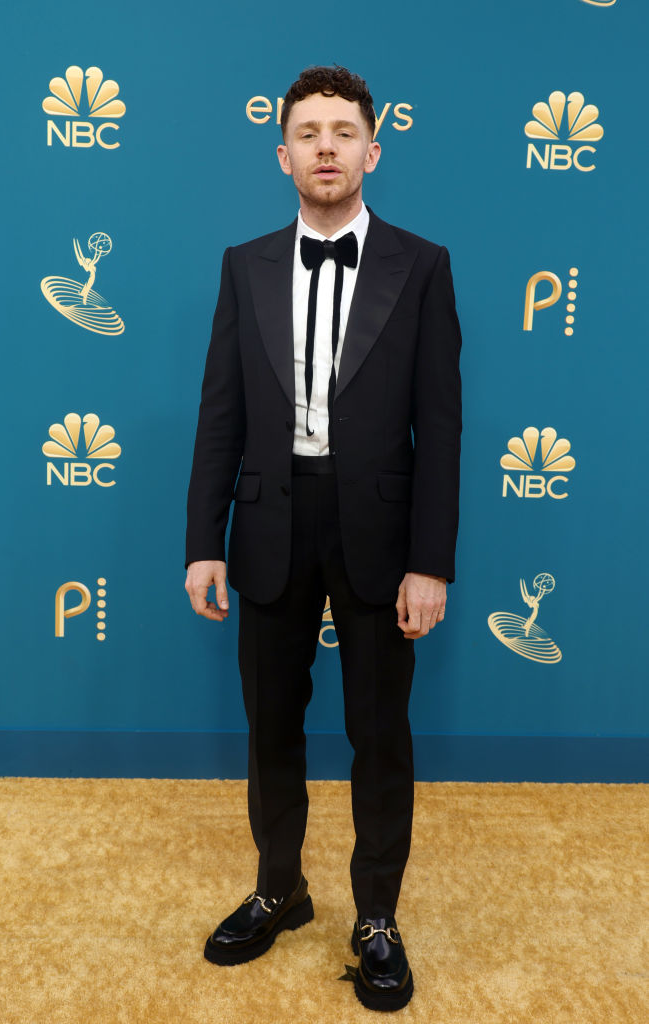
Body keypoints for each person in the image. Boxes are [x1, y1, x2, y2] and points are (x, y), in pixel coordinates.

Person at [184, 65, 462, 1013]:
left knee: (378, 732)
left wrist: (430, 561)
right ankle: (280, 889)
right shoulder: (242, 263)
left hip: (381, 532)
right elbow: (218, 413)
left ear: (372, 149)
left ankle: (375, 915)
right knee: (272, 728)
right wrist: (202, 537)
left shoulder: (421, 266)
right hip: (267, 522)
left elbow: (442, 424)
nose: (326, 147)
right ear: (283, 155)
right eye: (308, 132)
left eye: (343, 131)